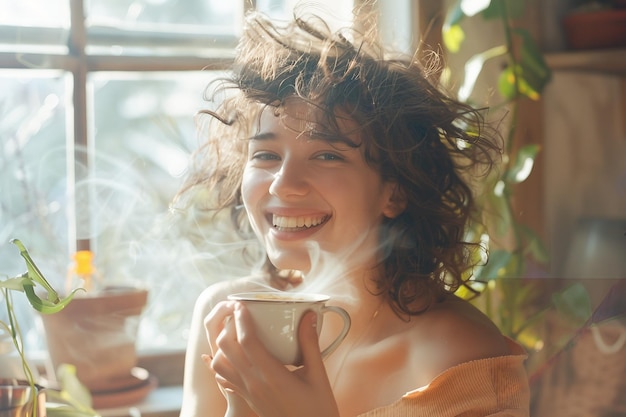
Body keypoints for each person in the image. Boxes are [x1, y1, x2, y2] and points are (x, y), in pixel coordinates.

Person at [176, 6, 530, 417]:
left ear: (394, 193)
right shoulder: (227, 319)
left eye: (327, 154)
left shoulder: (458, 359)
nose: (282, 184)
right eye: (267, 155)